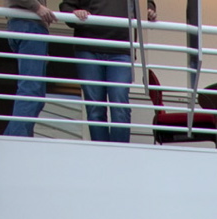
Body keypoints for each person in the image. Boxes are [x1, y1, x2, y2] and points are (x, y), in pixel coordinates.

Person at [64, 0, 151, 143]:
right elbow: (66, 6)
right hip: (88, 48)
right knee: (95, 108)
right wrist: (74, 13)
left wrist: (150, 10)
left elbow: (146, 4)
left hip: (121, 48)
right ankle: (102, 152)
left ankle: (118, 152)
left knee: (119, 103)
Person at [1, 0, 56, 137]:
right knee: (31, 90)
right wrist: (37, 7)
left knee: (36, 95)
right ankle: (16, 139)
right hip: (29, 25)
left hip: (28, 26)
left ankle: (14, 138)